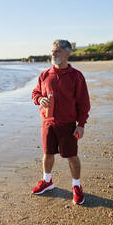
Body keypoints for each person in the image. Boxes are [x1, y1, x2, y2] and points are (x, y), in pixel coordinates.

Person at [31, 39, 90, 205]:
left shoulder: (76, 76)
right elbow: (35, 93)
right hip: (47, 123)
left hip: (68, 124)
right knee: (47, 154)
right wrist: (40, 99)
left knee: (72, 156)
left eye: (57, 51)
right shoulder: (44, 75)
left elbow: (84, 103)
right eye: (52, 51)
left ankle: (76, 186)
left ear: (67, 53)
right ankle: (47, 181)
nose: (53, 54)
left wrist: (81, 124)